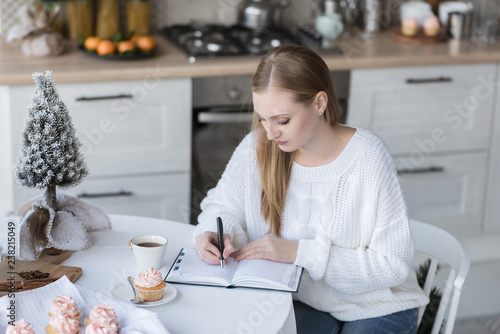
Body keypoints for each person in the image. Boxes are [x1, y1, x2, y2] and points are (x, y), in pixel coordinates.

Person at [192, 44, 429, 333]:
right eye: (263, 119)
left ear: (319, 103)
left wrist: (300, 253)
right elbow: (222, 206)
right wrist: (217, 233)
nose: (270, 133)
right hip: (304, 300)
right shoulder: (257, 148)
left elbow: (391, 266)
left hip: (375, 304)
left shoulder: (367, 157)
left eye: (282, 120)